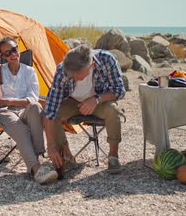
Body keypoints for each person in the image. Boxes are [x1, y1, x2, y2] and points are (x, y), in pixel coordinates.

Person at [43, 45, 126, 175]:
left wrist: (96, 99)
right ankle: (67, 157)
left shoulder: (107, 60)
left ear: (91, 65)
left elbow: (120, 90)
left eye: (78, 75)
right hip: (72, 103)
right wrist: (51, 145)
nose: (75, 78)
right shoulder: (63, 69)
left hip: (99, 102)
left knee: (113, 110)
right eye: (72, 75)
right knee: (54, 112)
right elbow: (50, 109)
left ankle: (113, 157)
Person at [0, 37, 58, 184]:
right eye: (7, 53)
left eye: (14, 49)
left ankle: (36, 157)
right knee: (20, 128)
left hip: (24, 110)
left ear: (18, 49)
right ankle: (37, 168)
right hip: (4, 112)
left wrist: (8, 100)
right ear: (3, 57)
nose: (12, 54)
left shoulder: (29, 71)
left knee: (35, 107)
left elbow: (32, 99)